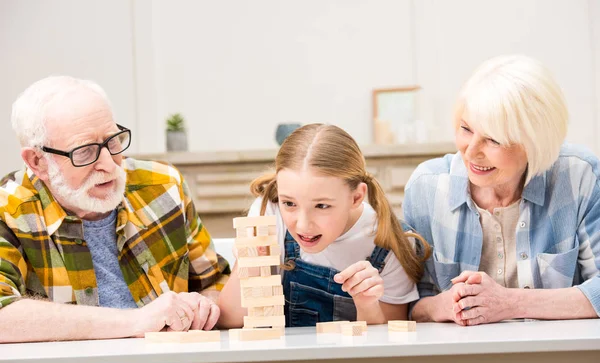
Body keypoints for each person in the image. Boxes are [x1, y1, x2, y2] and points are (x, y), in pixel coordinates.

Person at [0, 76, 230, 343]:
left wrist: (204, 306)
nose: (109, 165)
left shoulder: (162, 185)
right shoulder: (9, 208)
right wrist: (137, 320)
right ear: (37, 161)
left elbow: (214, 282)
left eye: (113, 141)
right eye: (85, 152)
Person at [404, 55, 600, 326]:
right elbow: (405, 300)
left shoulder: (578, 176)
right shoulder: (427, 186)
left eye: (493, 139)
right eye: (466, 129)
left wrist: (508, 302)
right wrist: (441, 305)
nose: (470, 152)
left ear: (535, 142)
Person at [218, 123, 429, 327]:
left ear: (356, 197)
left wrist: (367, 305)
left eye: (321, 206)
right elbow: (229, 320)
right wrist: (249, 264)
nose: (302, 225)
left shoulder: (388, 240)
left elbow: (392, 342)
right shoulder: (269, 215)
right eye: (289, 203)